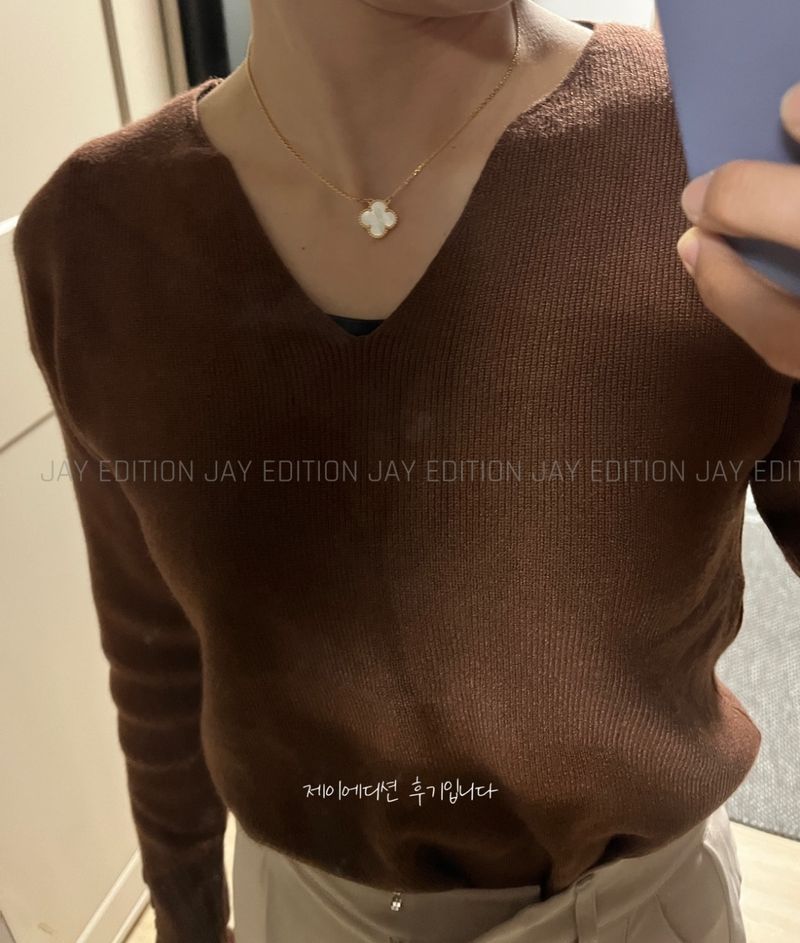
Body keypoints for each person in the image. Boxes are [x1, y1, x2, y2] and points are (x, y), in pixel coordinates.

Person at [12, 1, 800, 942]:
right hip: (301, 917)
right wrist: (185, 911)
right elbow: (153, 642)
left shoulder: (722, 150)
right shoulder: (94, 235)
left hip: (652, 913)